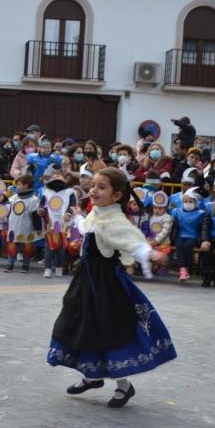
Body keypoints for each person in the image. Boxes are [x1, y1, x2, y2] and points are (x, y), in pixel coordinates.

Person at [47, 168, 175, 408]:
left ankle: (124, 386)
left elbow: (130, 241)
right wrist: (76, 217)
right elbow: (88, 227)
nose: (94, 190)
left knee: (108, 331)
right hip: (86, 281)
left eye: (101, 187)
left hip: (105, 285)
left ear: (116, 196)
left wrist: (151, 253)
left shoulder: (115, 221)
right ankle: (92, 376)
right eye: (93, 185)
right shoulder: (97, 214)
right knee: (81, 325)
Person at [40, 168, 75, 278]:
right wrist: (40, 210)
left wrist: (69, 214)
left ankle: (59, 267)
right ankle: (48, 268)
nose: (56, 178)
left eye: (59, 176)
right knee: (48, 246)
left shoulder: (70, 192)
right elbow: (42, 204)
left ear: (65, 179)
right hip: (50, 222)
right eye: (53, 177)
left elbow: (73, 205)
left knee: (61, 247)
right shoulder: (46, 191)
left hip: (63, 222)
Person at [6, 173, 41, 272]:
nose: (17, 186)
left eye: (19, 184)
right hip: (13, 225)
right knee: (12, 245)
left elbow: (35, 215)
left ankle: (26, 265)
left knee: (27, 246)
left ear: (26, 185)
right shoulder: (13, 198)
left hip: (27, 226)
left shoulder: (33, 200)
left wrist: (38, 228)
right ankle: (10, 263)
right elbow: (7, 211)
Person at [172, 188, 205, 282]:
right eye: (185, 201)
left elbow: (201, 227)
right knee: (179, 245)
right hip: (181, 235)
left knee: (187, 246)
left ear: (195, 202)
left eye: (190, 201)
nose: (187, 203)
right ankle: (182, 270)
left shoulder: (200, 213)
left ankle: (187, 268)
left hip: (193, 236)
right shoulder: (177, 211)